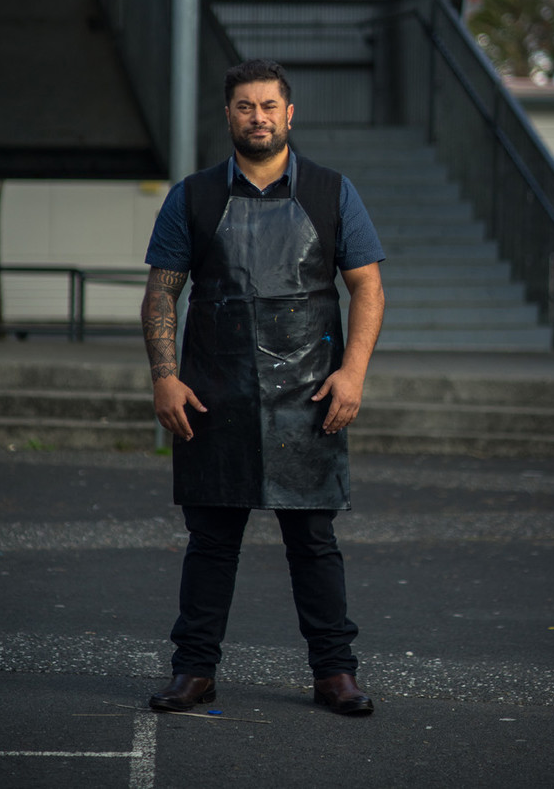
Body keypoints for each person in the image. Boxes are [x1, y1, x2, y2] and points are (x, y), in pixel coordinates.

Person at [141, 58, 385, 717]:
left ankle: (335, 672)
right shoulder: (191, 196)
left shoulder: (334, 192)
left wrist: (353, 372)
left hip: (309, 399)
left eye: (269, 105)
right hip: (213, 396)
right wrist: (165, 376)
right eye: (245, 105)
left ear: (289, 113)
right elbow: (162, 291)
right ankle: (194, 670)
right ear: (228, 115)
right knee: (211, 542)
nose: (258, 116)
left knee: (313, 543)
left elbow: (367, 285)